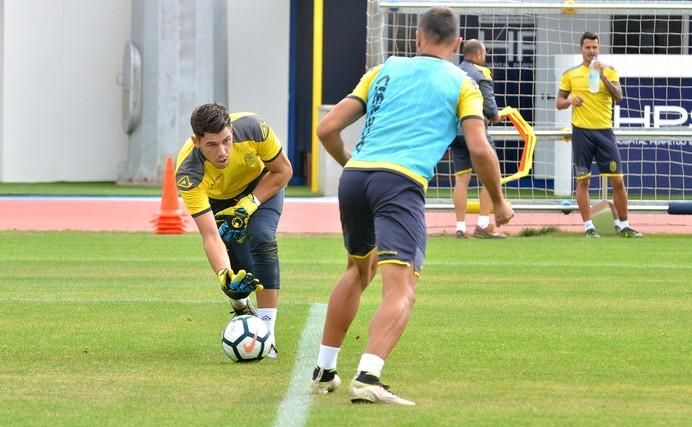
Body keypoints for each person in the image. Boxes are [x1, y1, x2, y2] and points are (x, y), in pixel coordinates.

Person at [309, 6, 514, 405]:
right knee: (401, 287)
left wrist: (352, 165)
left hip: (355, 178)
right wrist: (501, 203)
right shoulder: (462, 82)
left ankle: (324, 370)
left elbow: (327, 128)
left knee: (357, 269)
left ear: (418, 38)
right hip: (399, 182)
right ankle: (368, 375)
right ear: (457, 45)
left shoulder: (382, 70)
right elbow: (480, 150)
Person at [175, 103, 293, 358]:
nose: (222, 152)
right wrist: (222, 274)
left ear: (232, 131)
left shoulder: (254, 128)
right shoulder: (188, 172)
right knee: (240, 277)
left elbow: (284, 171)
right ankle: (239, 303)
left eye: (226, 141)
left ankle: (267, 334)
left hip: (262, 186)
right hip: (219, 202)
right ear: (196, 142)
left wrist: (249, 204)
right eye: (212, 145)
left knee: (262, 238)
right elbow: (210, 235)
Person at [556, 32, 643, 238]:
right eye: (588, 48)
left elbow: (619, 97)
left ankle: (624, 226)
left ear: (599, 49)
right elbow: (559, 103)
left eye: (595, 47)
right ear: (581, 49)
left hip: (604, 131)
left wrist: (602, 75)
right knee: (583, 181)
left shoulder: (610, 71)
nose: (591, 51)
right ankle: (589, 227)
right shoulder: (571, 74)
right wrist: (570, 101)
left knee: (618, 180)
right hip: (581, 132)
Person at [450, 39, 506, 239]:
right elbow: (491, 110)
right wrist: (497, 116)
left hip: (454, 133)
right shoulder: (482, 73)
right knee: (491, 175)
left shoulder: (453, 72)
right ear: (479, 55)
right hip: (475, 131)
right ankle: (483, 225)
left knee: (461, 180)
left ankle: (460, 227)